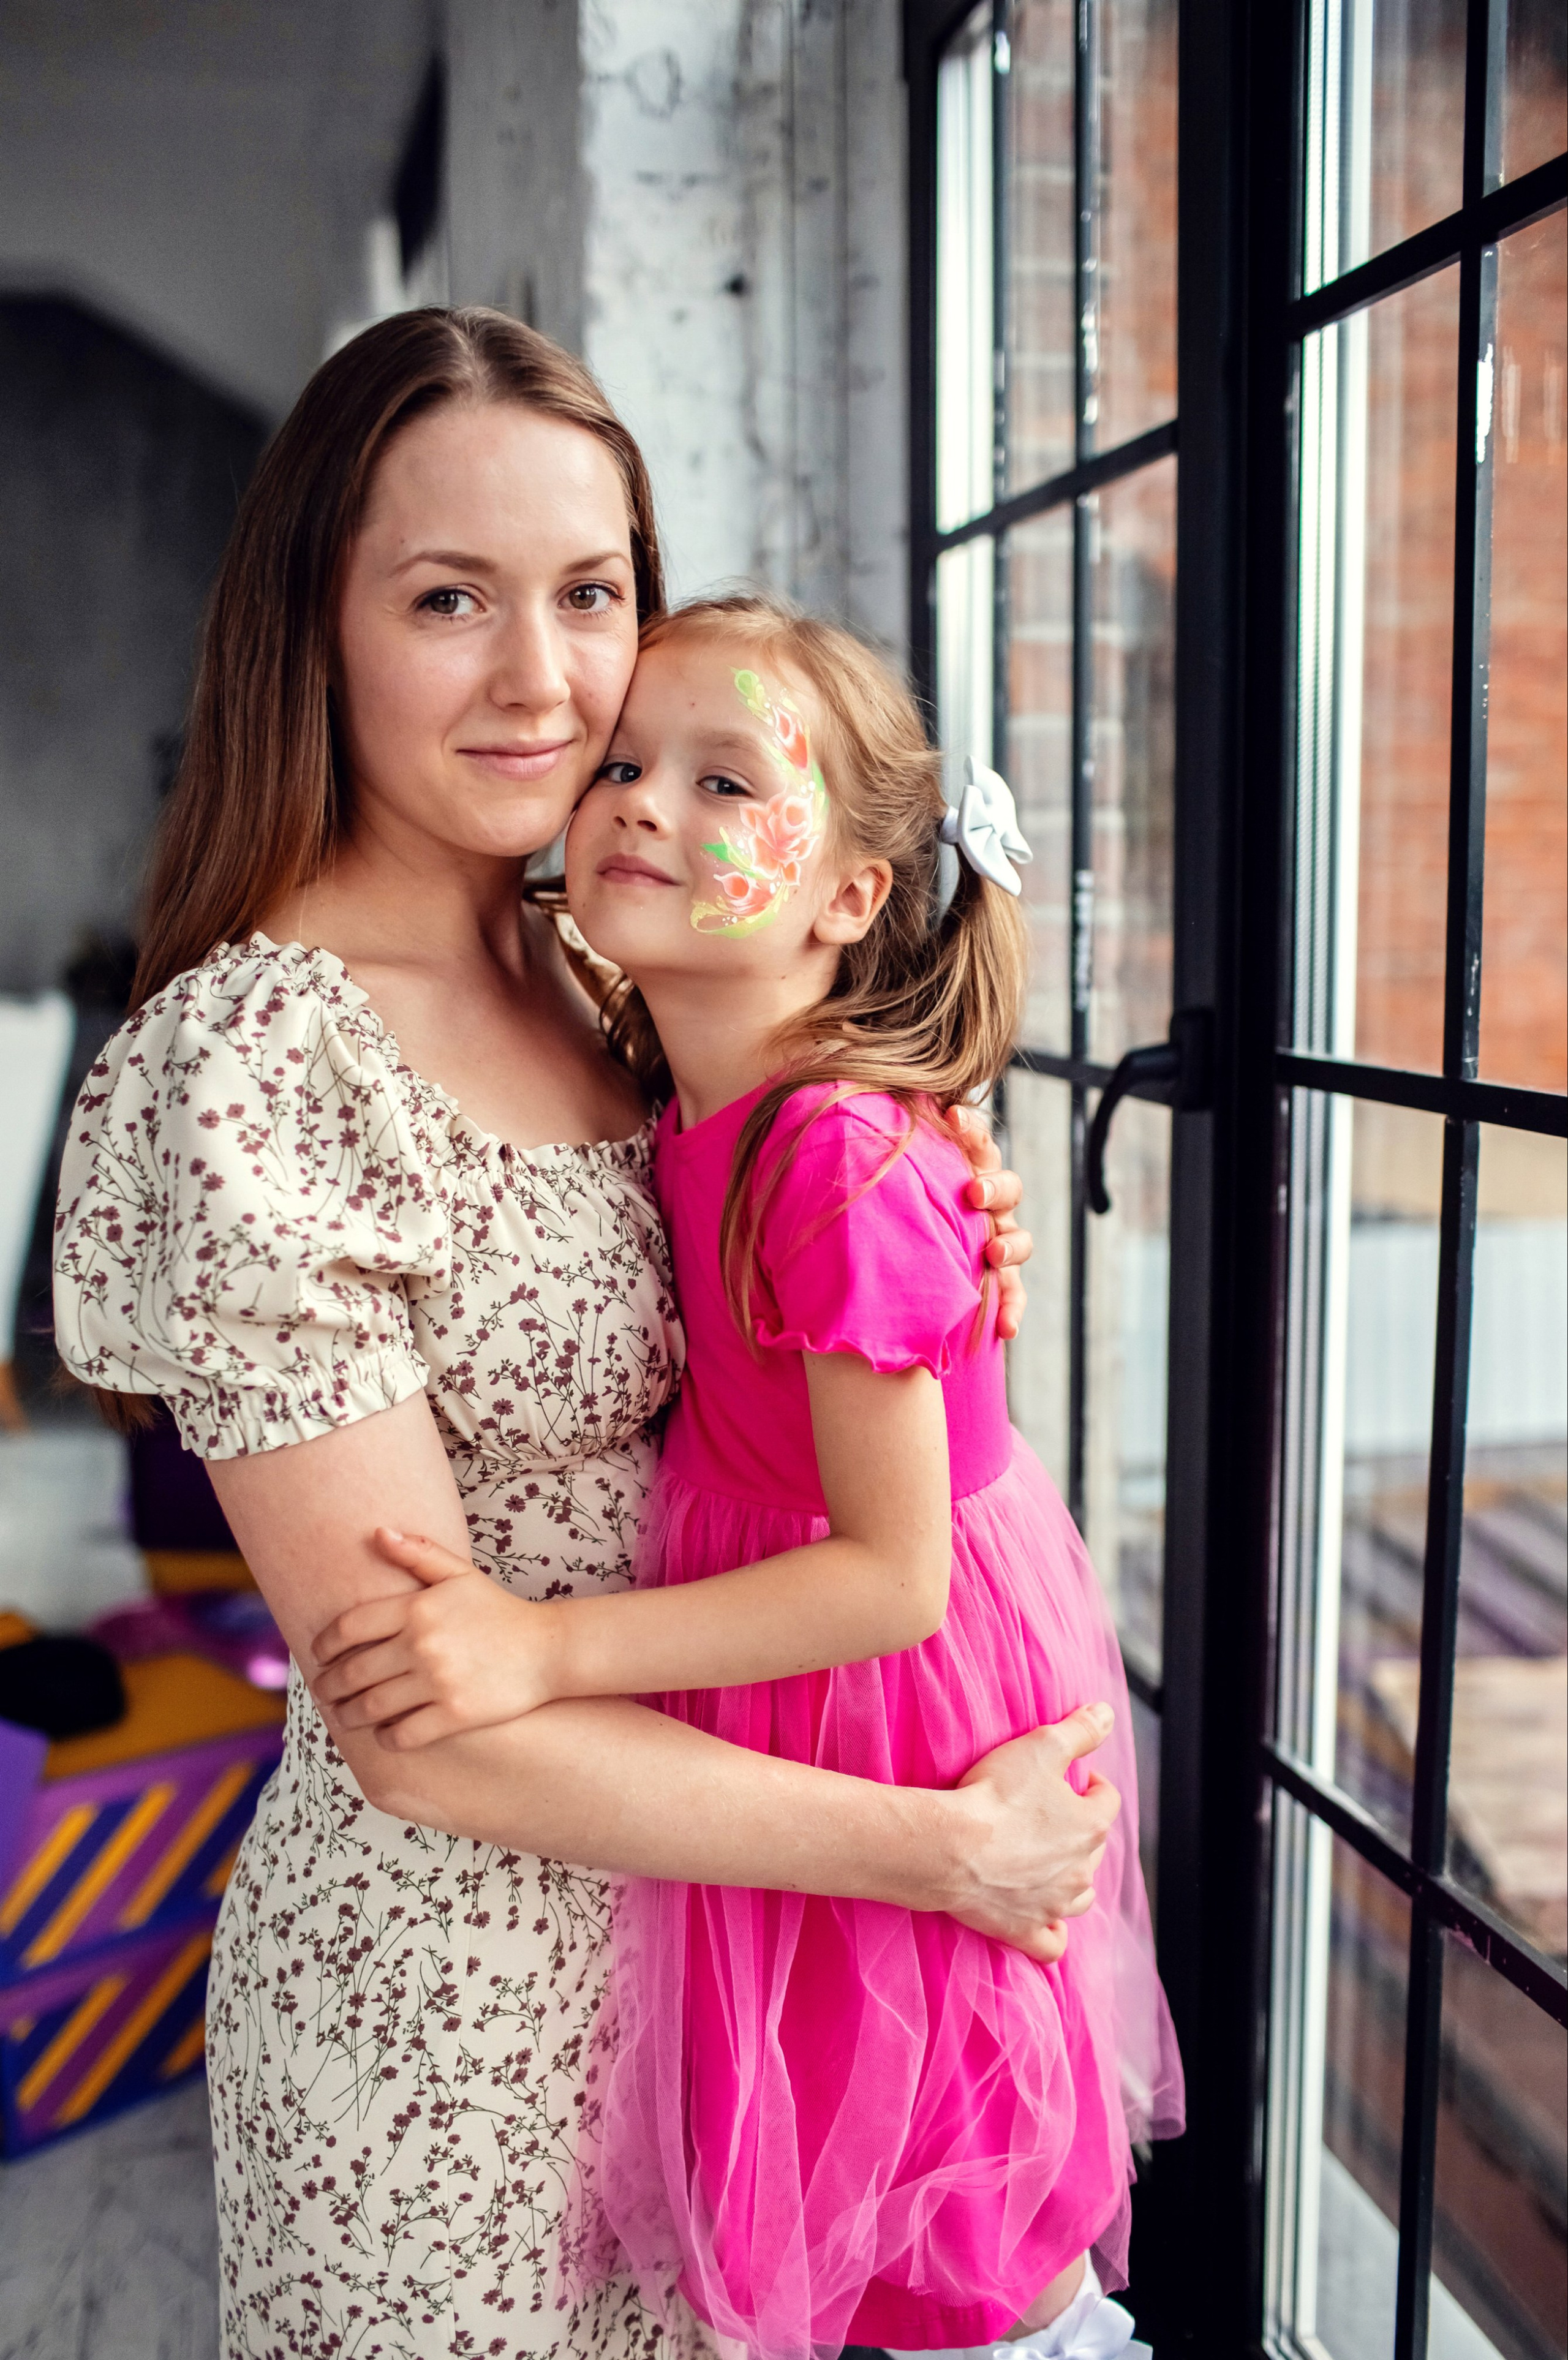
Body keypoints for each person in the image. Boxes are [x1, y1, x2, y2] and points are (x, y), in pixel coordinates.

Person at [51, 309, 1123, 2360]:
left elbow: (799, 1252)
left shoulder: (600, 957)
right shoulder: (264, 1057)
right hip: (455, 2019)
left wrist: (916, 1163)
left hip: (719, 1969)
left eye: (591, 595)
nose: (542, 680)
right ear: (320, 624)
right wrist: (940, 1850)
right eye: (451, 598)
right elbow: (418, 1721)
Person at [311, 593, 1184, 2360]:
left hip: (884, 1680)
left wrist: (541, 1651)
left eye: (725, 783)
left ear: (848, 896)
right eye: (626, 763)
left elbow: (893, 1575)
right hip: (782, 1679)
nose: (644, 802)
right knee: (822, 2180)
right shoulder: (680, 1089)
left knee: (945, 2208)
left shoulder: (830, 1162)